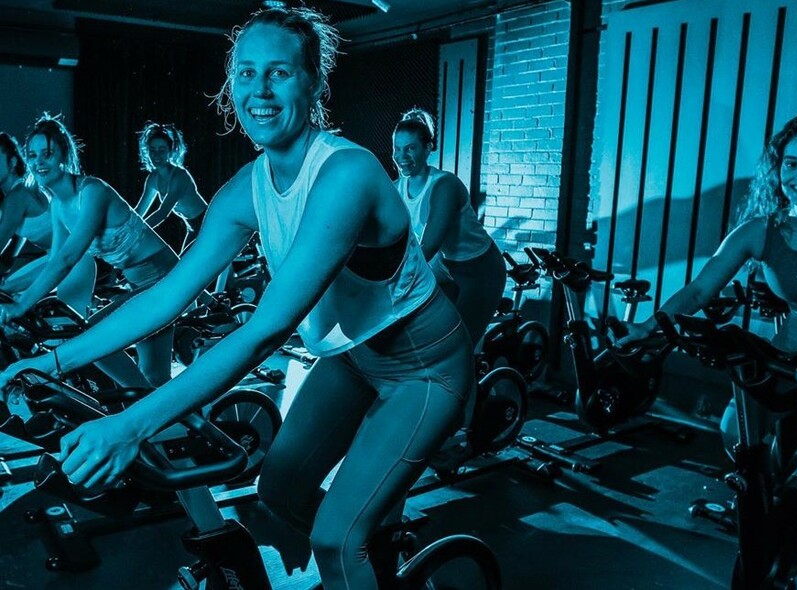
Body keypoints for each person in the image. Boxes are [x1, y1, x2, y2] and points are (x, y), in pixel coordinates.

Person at [0, 8, 472, 590]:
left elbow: (264, 332)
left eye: (278, 73)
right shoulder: (247, 187)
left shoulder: (346, 173)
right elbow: (166, 296)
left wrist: (130, 427)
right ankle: (377, 559)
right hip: (352, 358)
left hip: (424, 369)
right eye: (246, 74)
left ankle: (359, 553)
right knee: (275, 494)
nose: (259, 91)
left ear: (313, 82)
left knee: (335, 539)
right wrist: (49, 363)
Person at [619, 112, 797, 590]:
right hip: (796, 338)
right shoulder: (761, 229)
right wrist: (649, 329)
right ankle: (778, 495)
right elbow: (698, 291)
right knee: (735, 428)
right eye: (792, 163)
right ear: (777, 167)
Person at [0, 115, 179, 388]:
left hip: (166, 278)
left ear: (64, 154)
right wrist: (22, 299)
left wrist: (22, 304)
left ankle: (139, 406)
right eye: (33, 155)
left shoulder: (92, 191)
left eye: (47, 154)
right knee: (155, 375)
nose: (38, 162)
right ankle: (170, 416)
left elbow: (67, 259)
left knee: (91, 336)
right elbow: (54, 263)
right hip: (140, 283)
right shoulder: (59, 207)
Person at [392, 108, 506, 349]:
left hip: (480, 269)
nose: (402, 155)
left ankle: (476, 383)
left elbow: (429, 245)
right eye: (397, 148)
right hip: (445, 269)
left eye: (410, 147)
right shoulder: (396, 188)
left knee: (458, 346)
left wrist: (394, 280)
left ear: (428, 148)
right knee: (428, 335)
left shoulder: (445, 185)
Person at [0, 131, 95, 316]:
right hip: (56, 260)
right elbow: (10, 252)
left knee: (66, 337)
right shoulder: (17, 194)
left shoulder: (17, 196)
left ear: (12, 163)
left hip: (74, 262)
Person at [134, 122, 207, 253]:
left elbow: (162, 213)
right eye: (152, 150)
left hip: (207, 225)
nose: (156, 155)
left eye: (161, 150)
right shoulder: (153, 179)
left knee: (184, 266)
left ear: (170, 152)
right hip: (192, 228)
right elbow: (139, 211)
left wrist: (137, 234)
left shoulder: (179, 177)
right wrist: (122, 228)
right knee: (184, 265)